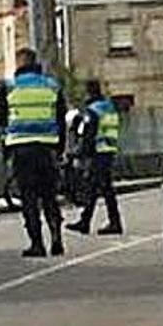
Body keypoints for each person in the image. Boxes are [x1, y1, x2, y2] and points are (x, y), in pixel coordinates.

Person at [0, 48, 67, 258]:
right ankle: (56, 236)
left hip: (21, 148)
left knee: (29, 197)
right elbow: (60, 119)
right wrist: (60, 148)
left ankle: (37, 243)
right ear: (36, 63)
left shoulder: (8, 87)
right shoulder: (52, 86)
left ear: (18, 63)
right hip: (47, 147)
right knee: (49, 195)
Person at [66, 80, 123, 236]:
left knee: (95, 187)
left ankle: (89, 222)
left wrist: (80, 154)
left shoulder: (93, 111)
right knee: (104, 188)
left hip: (98, 151)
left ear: (89, 93)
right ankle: (107, 221)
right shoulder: (109, 108)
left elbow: (89, 135)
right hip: (109, 149)